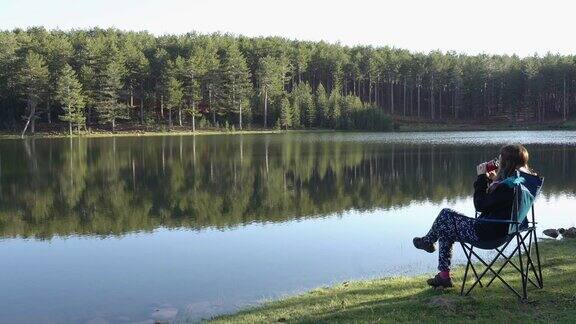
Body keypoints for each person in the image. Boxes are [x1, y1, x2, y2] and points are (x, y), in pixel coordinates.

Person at [412, 144, 534, 289]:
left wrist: (482, 177)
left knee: (446, 214)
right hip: (506, 231)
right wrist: (495, 181)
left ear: (506, 163)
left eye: (500, 159)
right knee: (447, 228)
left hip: (487, 234)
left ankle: (428, 242)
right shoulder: (522, 182)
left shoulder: (507, 188)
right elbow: (497, 203)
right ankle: (443, 276)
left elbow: (480, 205)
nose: (498, 162)